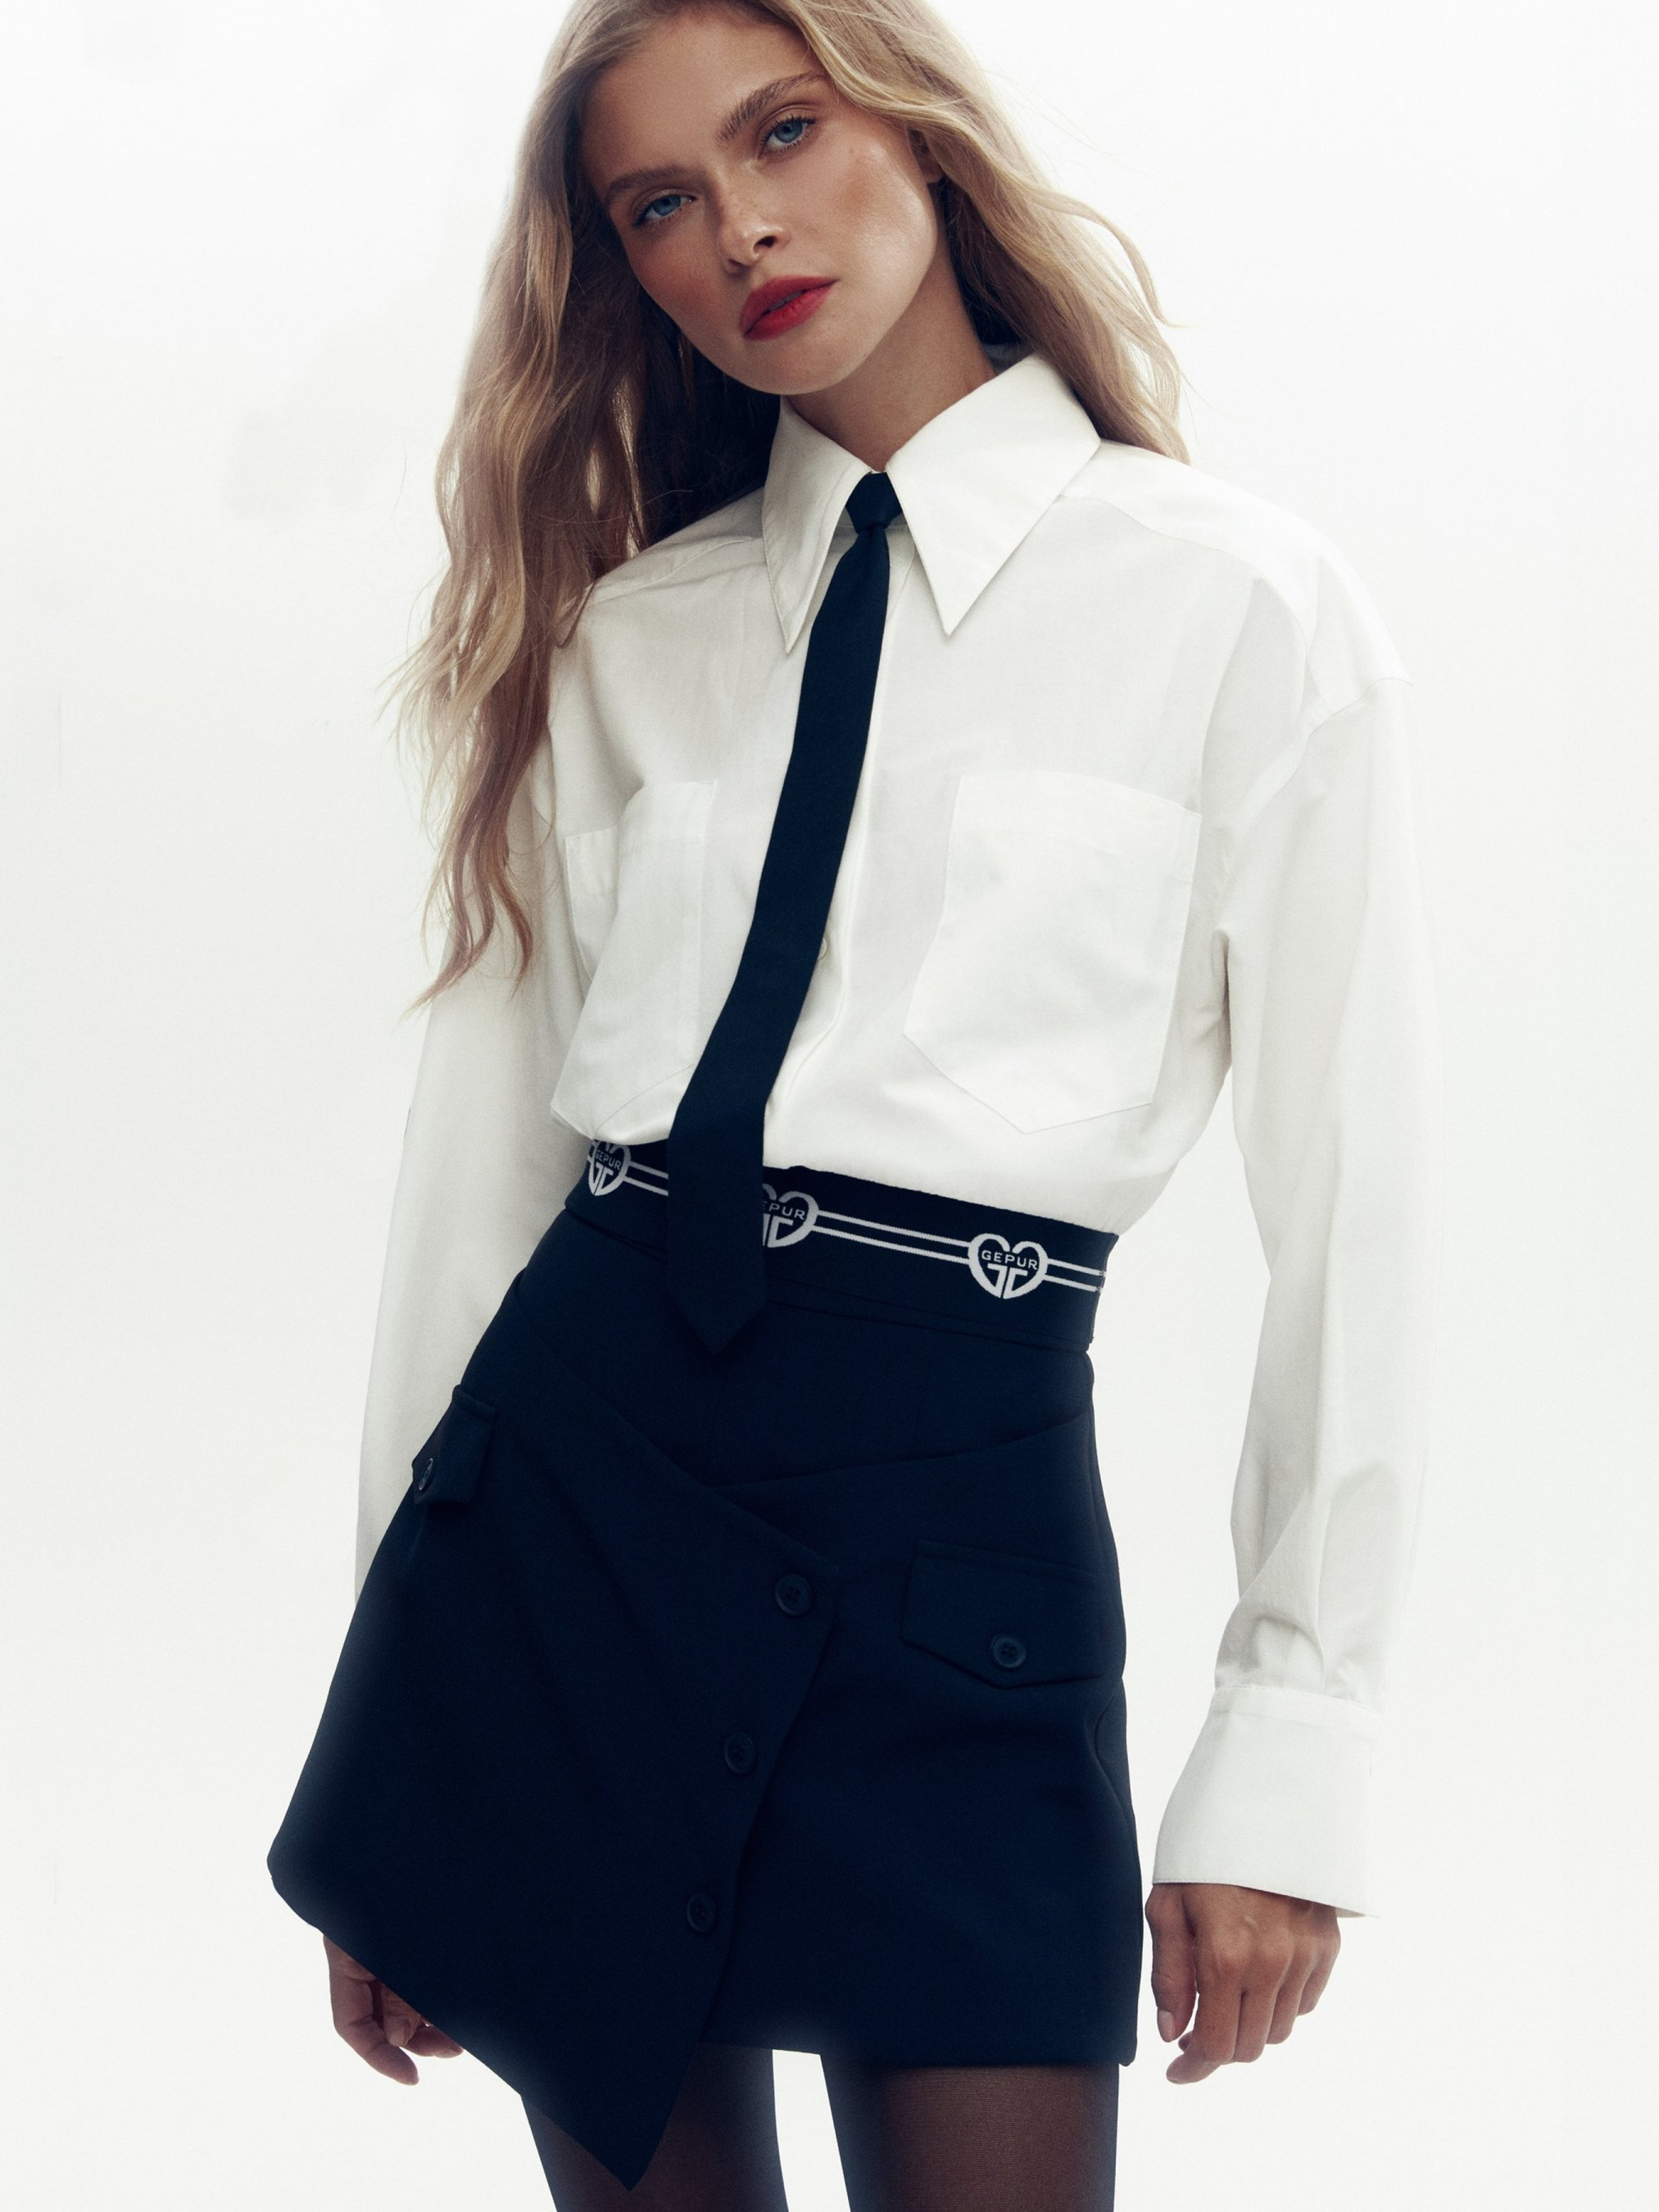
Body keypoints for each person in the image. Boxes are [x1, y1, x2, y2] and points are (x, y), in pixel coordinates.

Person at [265, 2, 1442, 2206]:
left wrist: (1288, 1748)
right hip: (570, 1531)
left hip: (958, 1547)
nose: (741, 228)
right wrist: (406, 1711)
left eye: (784, 131)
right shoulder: (629, 638)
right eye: (660, 202)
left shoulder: (1239, 608)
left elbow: (1355, 1215)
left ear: (918, 131)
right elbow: (484, 1188)